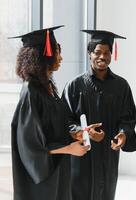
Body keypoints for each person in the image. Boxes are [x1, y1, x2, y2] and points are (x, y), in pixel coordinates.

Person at [10, 26, 89, 200]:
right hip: (41, 178)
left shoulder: (49, 89)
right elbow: (29, 144)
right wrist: (69, 148)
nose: (60, 57)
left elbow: (53, 128)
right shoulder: (31, 91)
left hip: (57, 169)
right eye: (57, 52)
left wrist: (73, 134)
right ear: (43, 55)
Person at [62, 30, 136, 200]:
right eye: (97, 52)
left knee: (106, 193)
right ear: (89, 54)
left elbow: (128, 118)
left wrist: (123, 134)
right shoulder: (74, 85)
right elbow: (64, 119)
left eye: (106, 52)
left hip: (108, 155)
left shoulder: (121, 86)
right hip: (82, 154)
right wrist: (83, 132)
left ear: (112, 54)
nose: (102, 57)